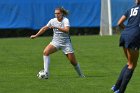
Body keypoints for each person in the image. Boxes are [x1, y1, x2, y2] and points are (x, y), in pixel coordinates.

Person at [30, 7, 85, 79]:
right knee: (45, 52)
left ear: (62, 13)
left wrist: (56, 27)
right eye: (55, 13)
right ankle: (46, 73)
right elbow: (44, 28)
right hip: (55, 42)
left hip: (66, 43)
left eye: (58, 13)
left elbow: (66, 30)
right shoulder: (52, 21)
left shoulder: (65, 20)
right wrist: (36, 35)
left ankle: (81, 75)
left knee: (73, 62)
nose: (56, 15)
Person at [111, 0, 140, 93]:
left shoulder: (131, 9)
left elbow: (119, 23)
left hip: (124, 34)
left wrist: (128, 29)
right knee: (132, 65)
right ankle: (121, 91)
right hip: (133, 36)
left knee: (129, 63)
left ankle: (116, 87)